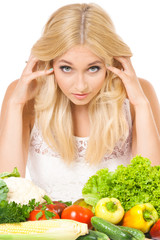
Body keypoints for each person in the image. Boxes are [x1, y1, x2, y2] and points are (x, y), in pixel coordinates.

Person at [0, 3, 160, 201]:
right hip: (48, 228)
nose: (81, 86)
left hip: (116, 230)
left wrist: (141, 105)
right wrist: (16, 105)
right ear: (50, 64)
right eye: (66, 68)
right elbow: (7, 190)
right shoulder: (22, 95)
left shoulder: (139, 93)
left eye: (93, 68)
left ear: (111, 64)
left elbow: (150, 193)